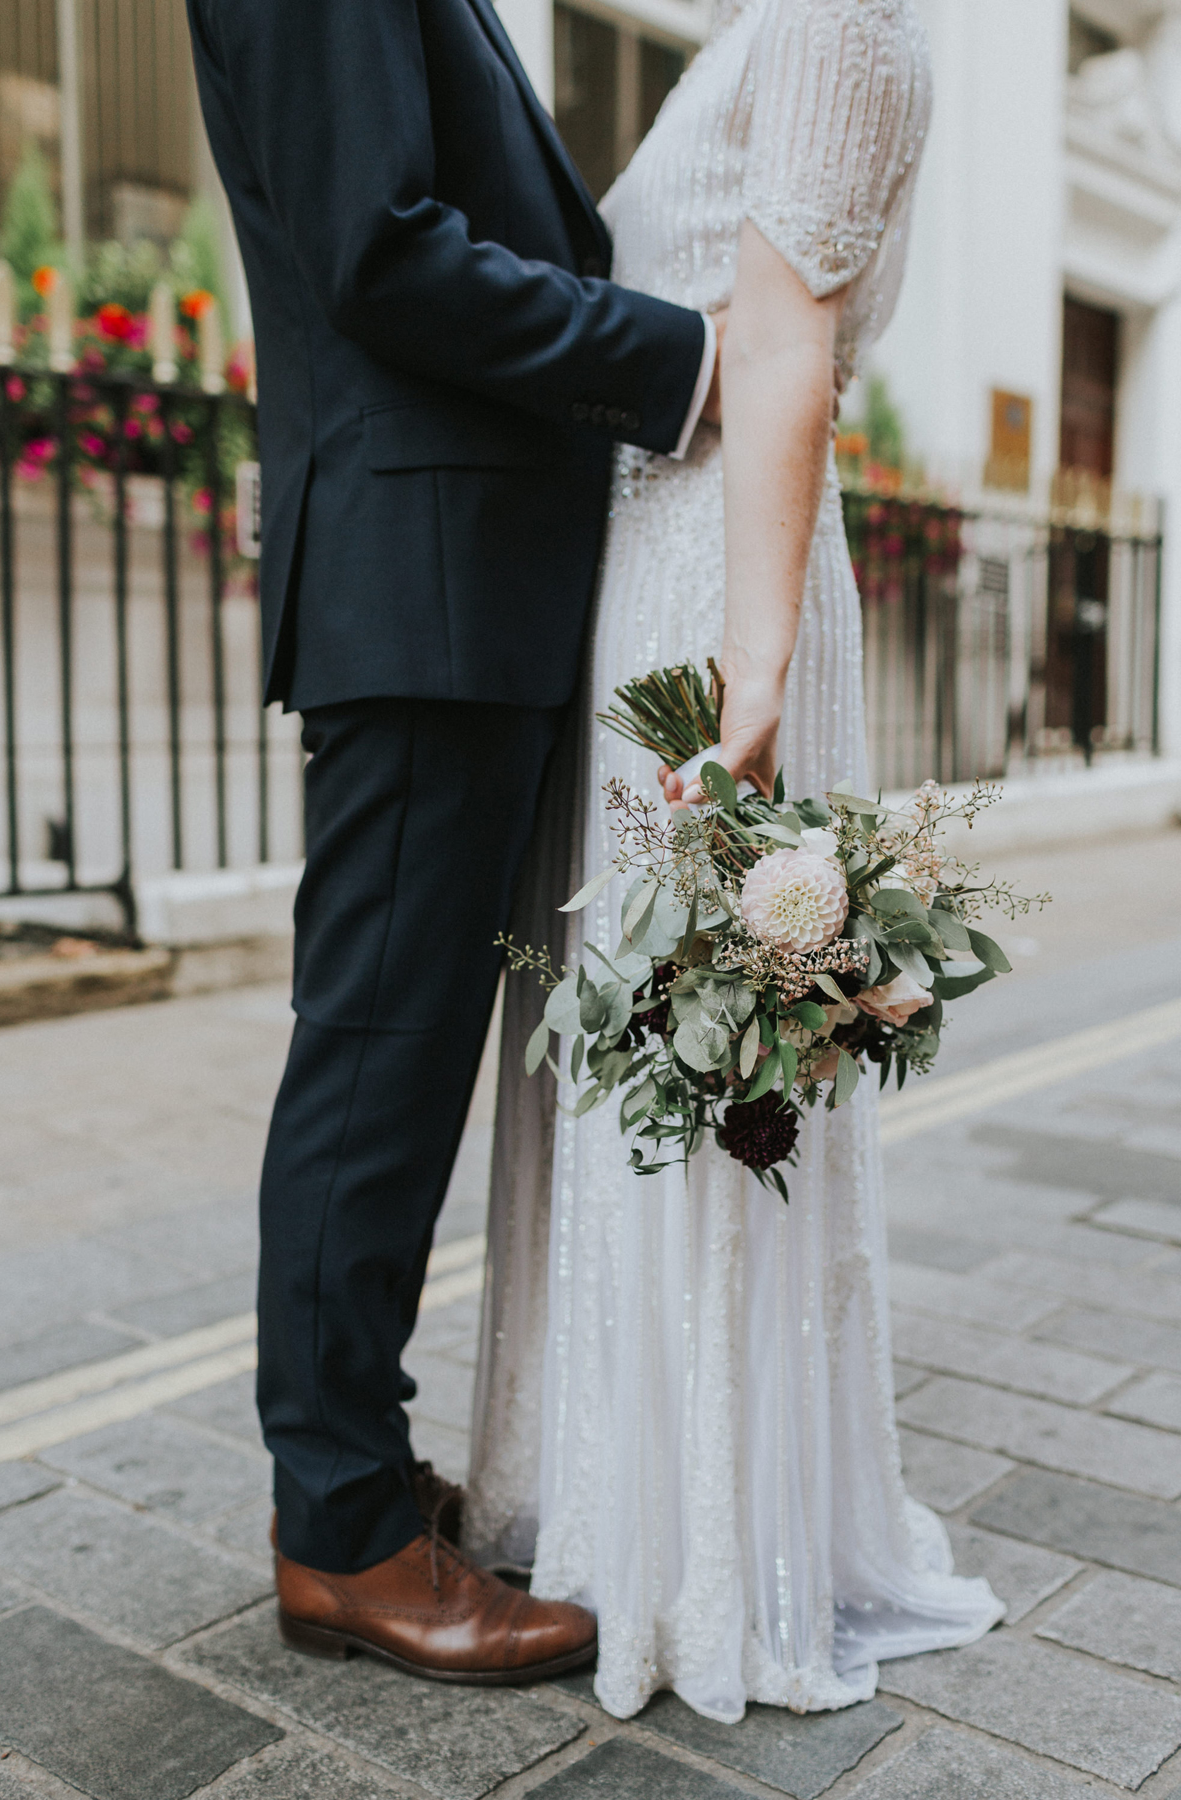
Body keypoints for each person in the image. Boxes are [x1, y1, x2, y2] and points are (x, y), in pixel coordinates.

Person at [468, 0, 1006, 1722]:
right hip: (658, 572)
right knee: (629, 1057)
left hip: (720, 587)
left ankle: (707, 1548)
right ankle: (616, 1492)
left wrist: (755, 675)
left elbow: (783, 346)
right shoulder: (767, 21)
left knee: (696, 1069)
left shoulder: (845, 22)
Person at [184, 0, 727, 1682]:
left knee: (395, 1072)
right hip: (420, 582)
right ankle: (339, 1538)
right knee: (376, 1070)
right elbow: (381, 249)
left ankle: (346, 1475)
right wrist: (672, 360)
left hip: (454, 581)